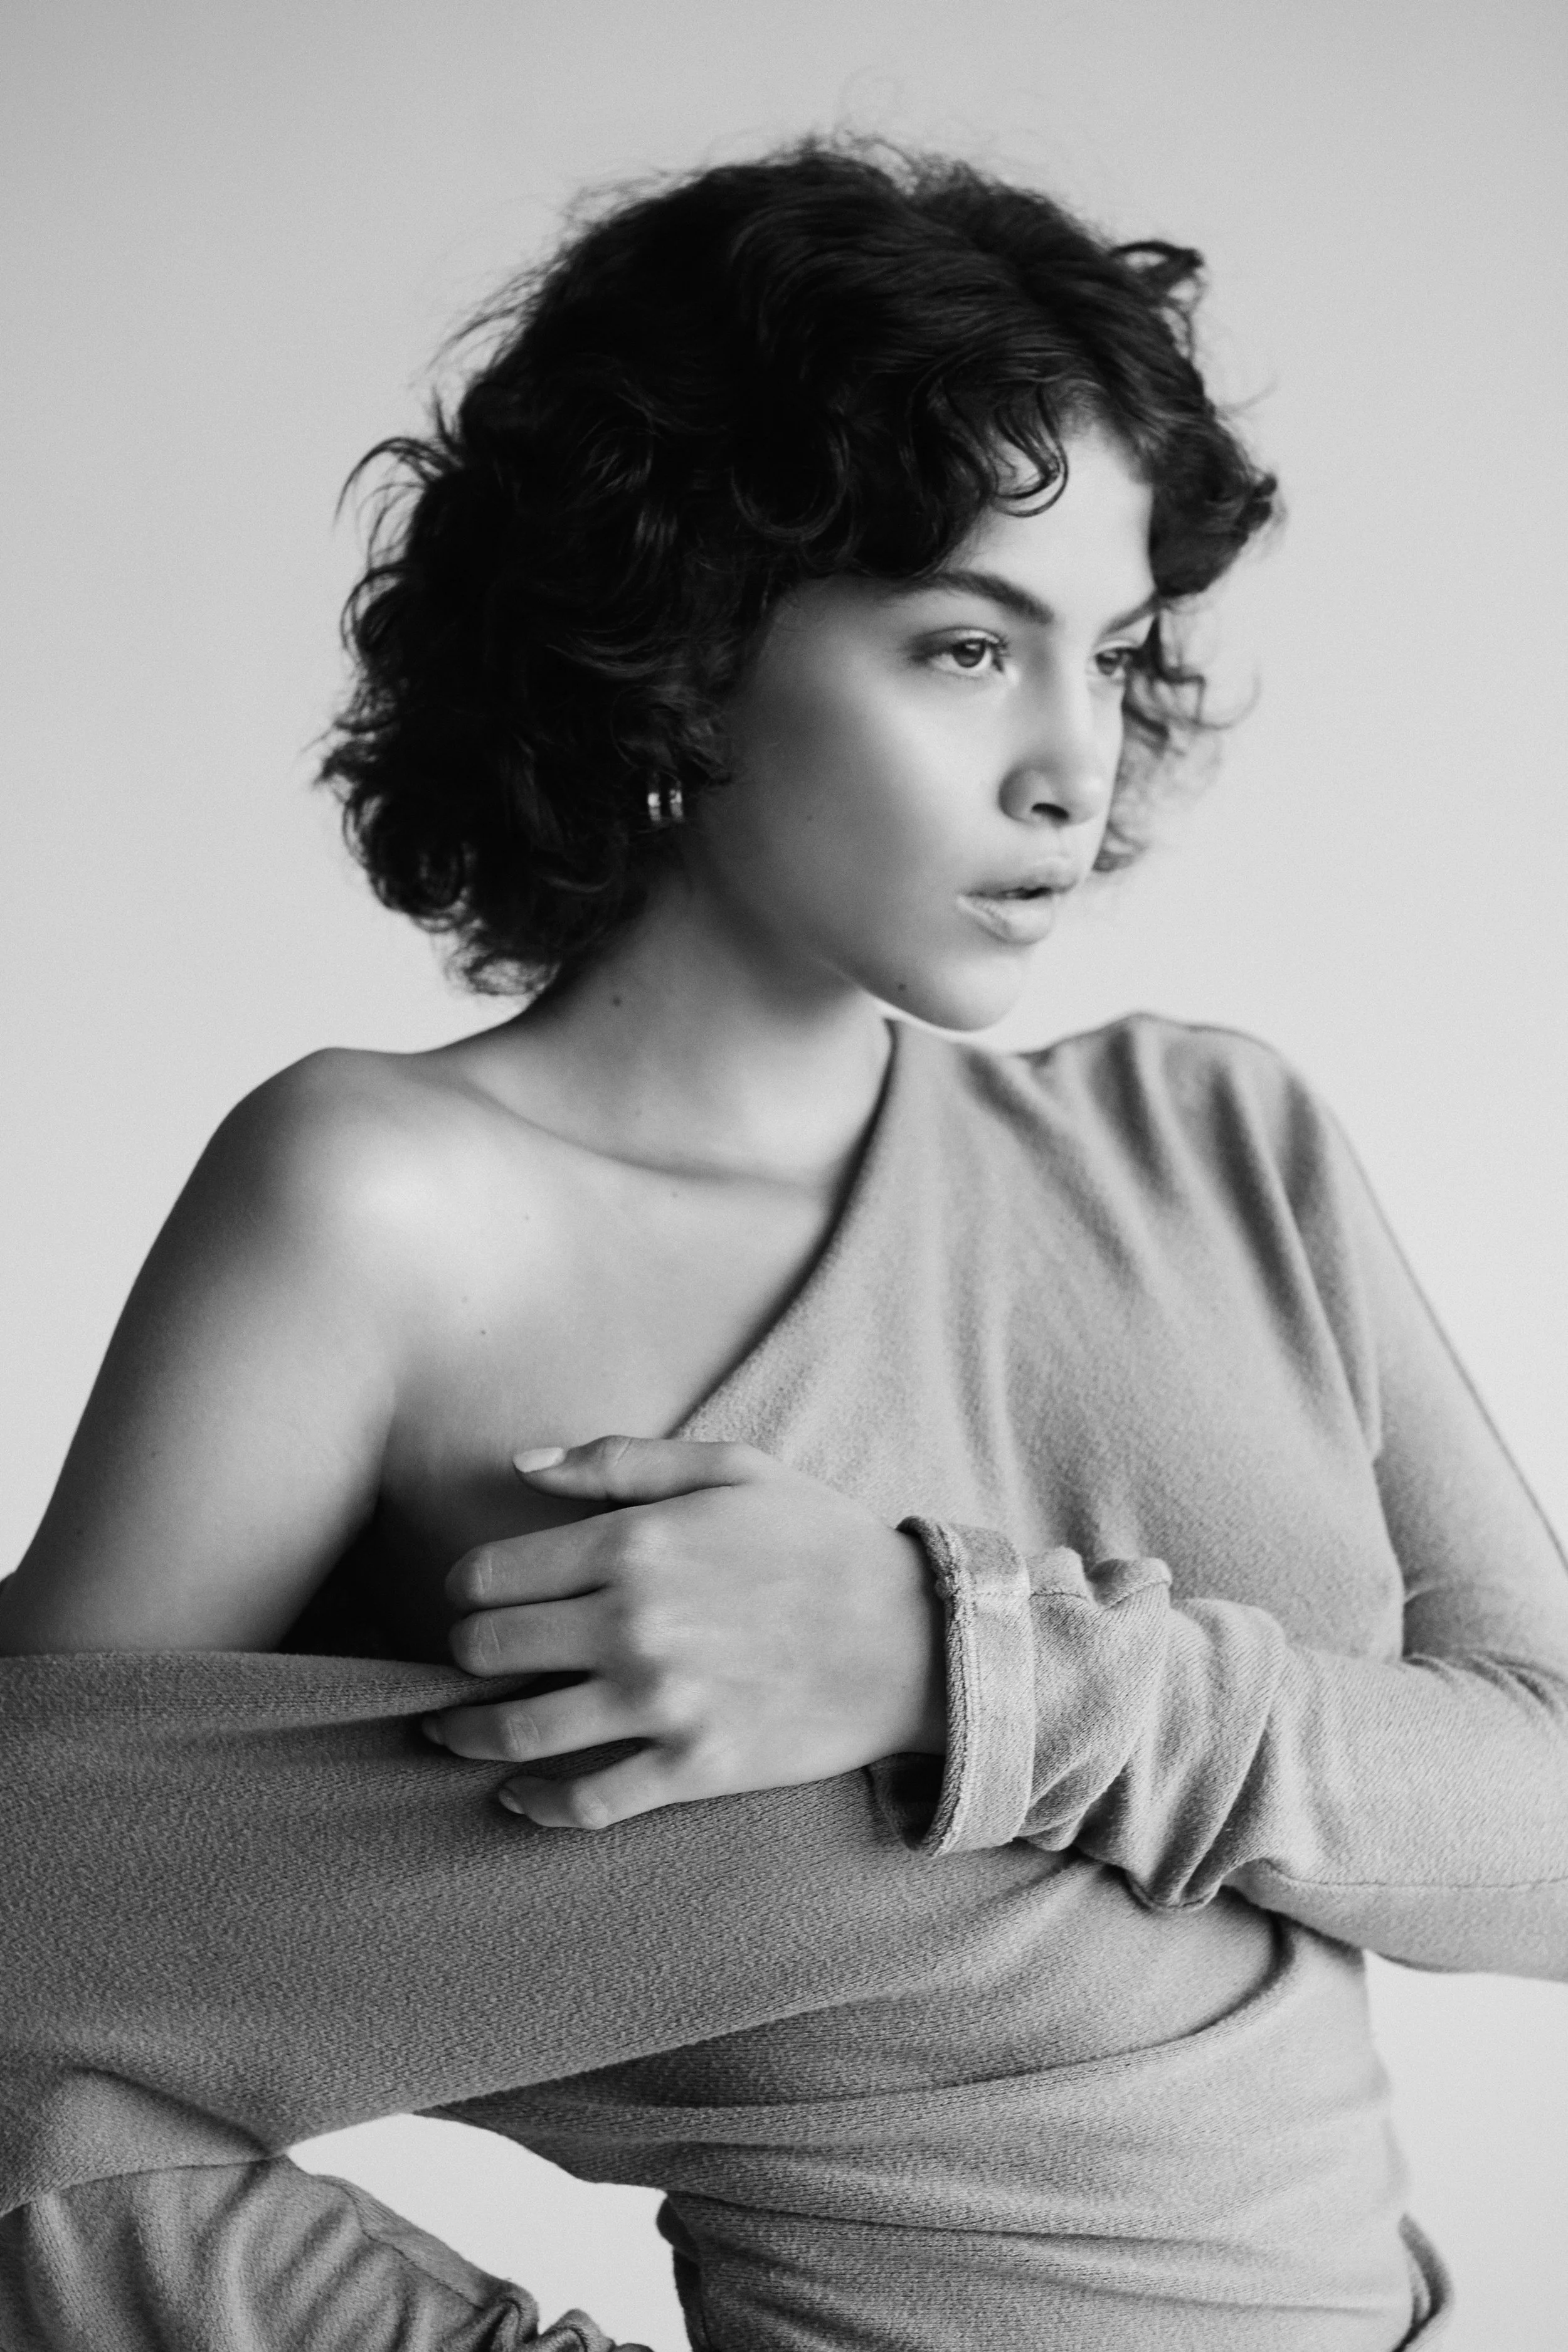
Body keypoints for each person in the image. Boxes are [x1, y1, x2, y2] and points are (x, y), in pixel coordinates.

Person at [1, 140, 1564, 2351]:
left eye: (1107, 654)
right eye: (960, 643)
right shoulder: (384, 1209)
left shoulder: (1222, 1138)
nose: (1070, 760)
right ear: (689, 643)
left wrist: (959, 1667)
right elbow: (21, 1948)